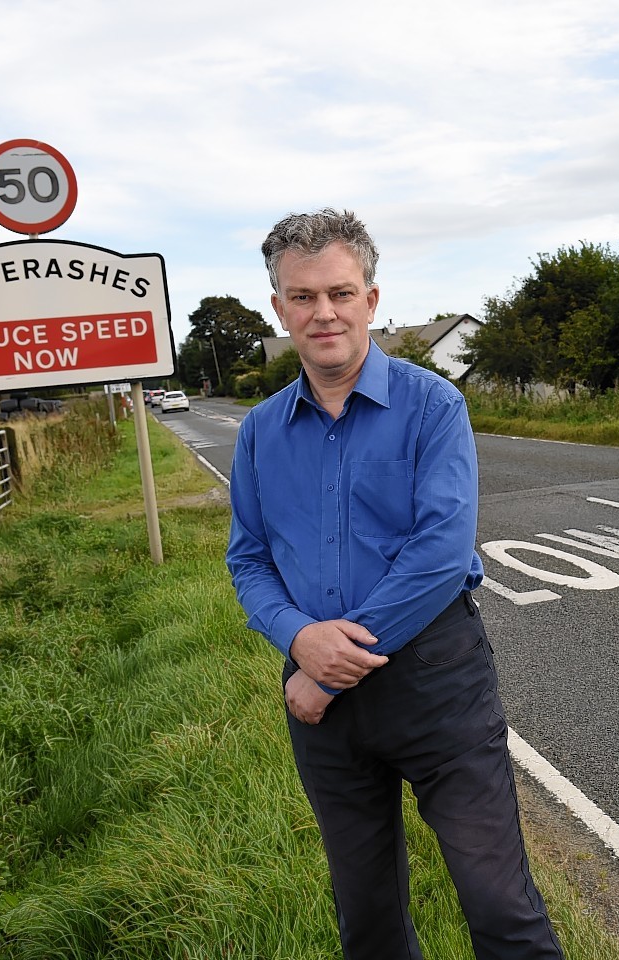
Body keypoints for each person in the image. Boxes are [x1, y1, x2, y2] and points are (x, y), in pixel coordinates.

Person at [226, 209, 564, 960]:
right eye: (303, 297)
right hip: (318, 692)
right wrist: (297, 637)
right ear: (279, 309)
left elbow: (440, 555)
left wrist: (329, 672)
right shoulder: (258, 433)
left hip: (434, 680)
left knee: (498, 901)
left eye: (340, 293)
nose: (324, 313)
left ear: (371, 301)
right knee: (368, 916)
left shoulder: (433, 406)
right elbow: (248, 559)